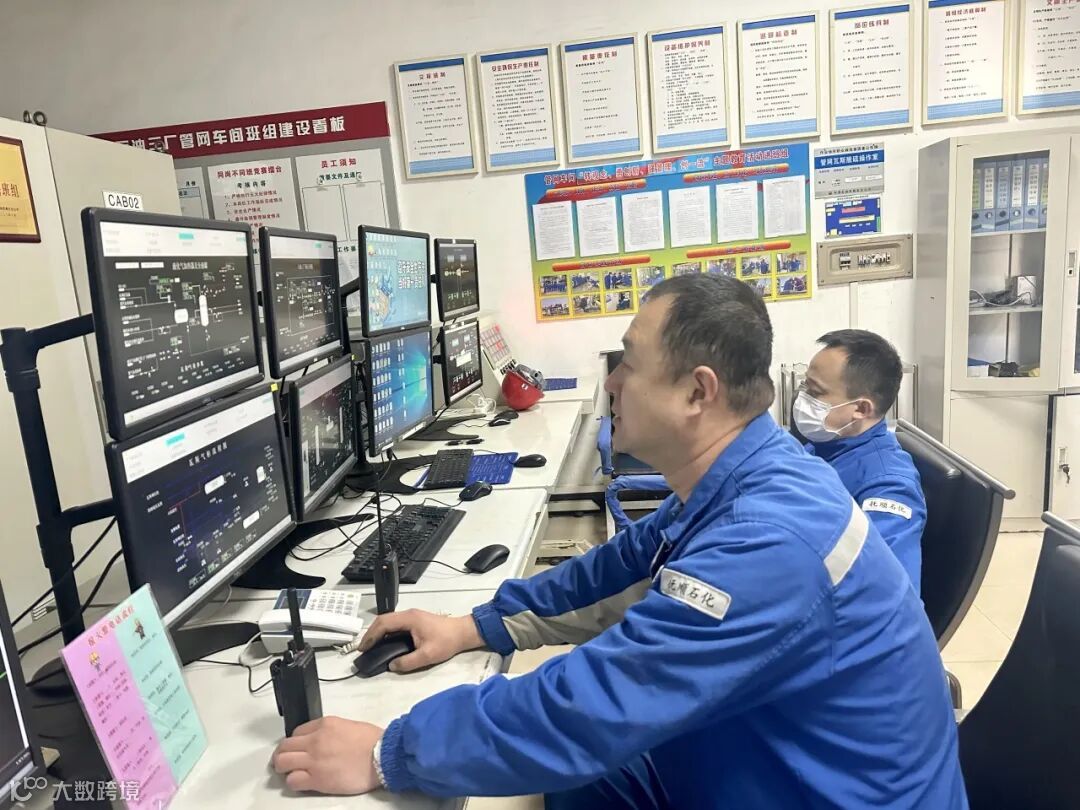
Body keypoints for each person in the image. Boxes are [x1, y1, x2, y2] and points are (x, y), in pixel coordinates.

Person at [271, 275, 966, 808]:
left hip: (821, 793)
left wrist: (390, 752)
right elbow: (624, 563)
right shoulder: (747, 474)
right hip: (757, 757)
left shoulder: (769, 541)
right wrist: (474, 626)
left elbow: (599, 703)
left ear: (697, 393)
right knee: (571, 778)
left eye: (629, 363)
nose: (611, 382)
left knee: (568, 749)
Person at [795, 329, 927, 592]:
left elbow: (887, 593)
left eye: (815, 391)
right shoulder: (824, 446)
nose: (802, 398)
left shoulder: (887, 487)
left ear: (861, 409)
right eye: (804, 385)